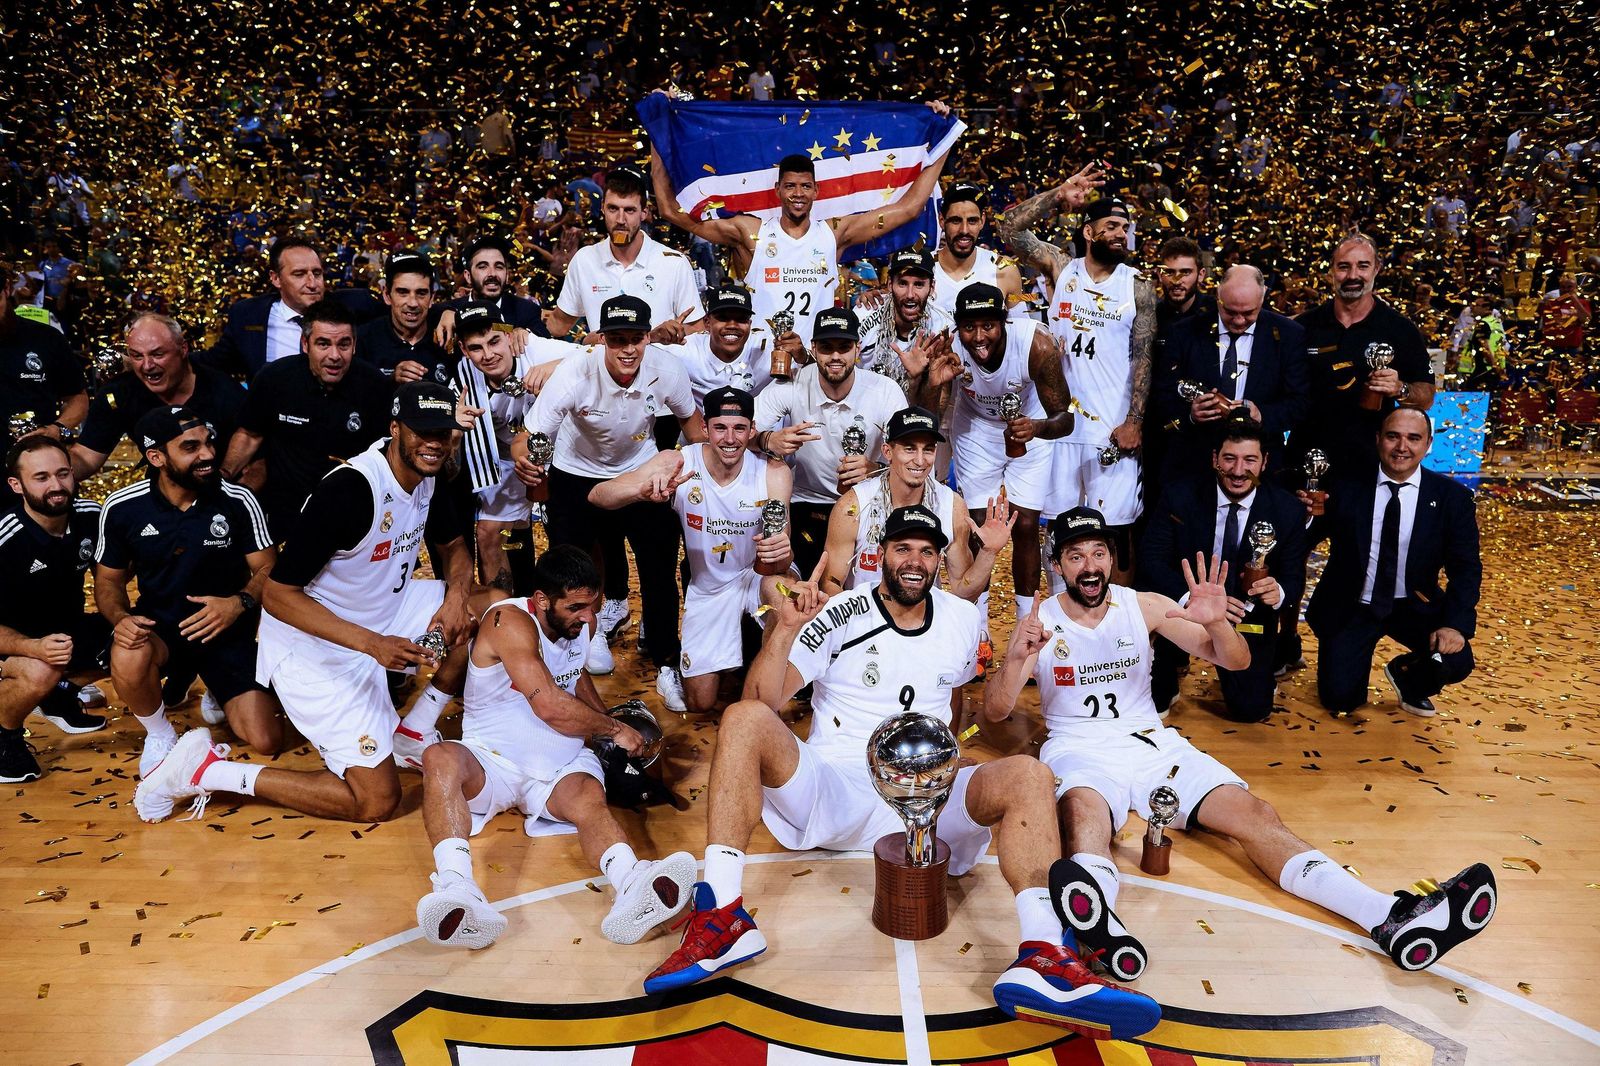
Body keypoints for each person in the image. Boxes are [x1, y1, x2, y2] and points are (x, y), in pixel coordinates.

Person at [644, 508, 1162, 1042]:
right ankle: (724, 916)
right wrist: (783, 632)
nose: (914, 562)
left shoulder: (962, 619)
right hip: (840, 786)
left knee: (1028, 775)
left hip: (927, 794)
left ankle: (1043, 955)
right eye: (902, 549)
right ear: (881, 553)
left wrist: (954, 754)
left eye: (927, 550)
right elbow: (764, 699)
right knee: (743, 718)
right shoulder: (840, 613)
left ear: (939, 559)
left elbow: (959, 702)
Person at [983, 506, 1496, 981]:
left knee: (1257, 815)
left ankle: (1385, 915)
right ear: (1058, 565)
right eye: (1076, 556)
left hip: (1154, 745)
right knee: (1085, 822)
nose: (1089, 565)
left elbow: (1234, 661)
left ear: (1113, 559)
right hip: (1079, 748)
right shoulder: (1040, 623)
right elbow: (997, 710)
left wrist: (1216, 624)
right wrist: (1014, 661)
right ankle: (1101, 927)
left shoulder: (1146, 606)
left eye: (1098, 553)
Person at [133, 383, 477, 824]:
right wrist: (373, 644)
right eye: (421, 431)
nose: (433, 442)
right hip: (316, 645)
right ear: (395, 429)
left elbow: (453, 546)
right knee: (376, 802)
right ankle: (210, 771)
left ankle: (412, 731)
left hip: (382, 611)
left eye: (442, 432)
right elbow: (276, 595)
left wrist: (456, 596)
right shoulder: (351, 490)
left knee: (493, 610)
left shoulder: (433, 472)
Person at [415, 546, 697, 950]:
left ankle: (631, 882)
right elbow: (548, 703)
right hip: (491, 762)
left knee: (588, 798)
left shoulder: (583, 622)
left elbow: (575, 671)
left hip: (560, 765)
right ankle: (458, 889)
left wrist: (604, 732)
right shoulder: (507, 622)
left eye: (592, 605)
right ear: (542, 601)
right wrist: (615, 728)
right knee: (438, 757)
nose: (587, 617)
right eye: (576, 607)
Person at [513, 295, 706, 707]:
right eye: (617, 339)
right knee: (573, 572)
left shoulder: (666, 369)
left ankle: (666, 660)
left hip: (640, 471)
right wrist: (527, 464)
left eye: (636, 338)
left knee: (658, 570)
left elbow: (694, 426)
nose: (628, 348)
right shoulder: (574, 374)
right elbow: (530, 437)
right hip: (574, 473)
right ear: (600, 339)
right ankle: (582, 645)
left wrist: (693, 475)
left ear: (647, 338)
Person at [94, 407, 284, 790]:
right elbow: (108, 584)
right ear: (156, 457)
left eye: (209, 442)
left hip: (227, 634)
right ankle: (159, 732)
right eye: (191, 447)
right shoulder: (122, 508)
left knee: (267, 740)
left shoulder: (237, 499)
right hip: (162, 630)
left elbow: (270, 570)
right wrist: (120, 619)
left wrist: (238, 603)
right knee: (127, 650)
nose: (208, 454)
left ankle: (217, 686)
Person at [650, 118, 953, 344]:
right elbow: (669, 211)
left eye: (805, 186)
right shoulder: (750, 232)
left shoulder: (834, 234)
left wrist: (943, 139)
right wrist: (659, 128)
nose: (798, 194)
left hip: (817, 363)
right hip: (758, 362)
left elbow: (909, 209)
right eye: (791, 186)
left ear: (816, 191)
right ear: (777, 189)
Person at [589, 387, 792, 715]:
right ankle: (725, 665)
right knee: (699, 702)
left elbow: (784, 560)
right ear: (706, 428)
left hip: (755, 578)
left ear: (752, 430)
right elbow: (599, 494)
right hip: (708, 587)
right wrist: (639, 492)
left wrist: (781, 549)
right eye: (720, 428)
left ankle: (768, 685)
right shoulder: (678, 462)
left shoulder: (773, 471)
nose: (729, 438)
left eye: (739, 428)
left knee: (784, 593)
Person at [1003, 196, 1156, 580]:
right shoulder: (1061, 267)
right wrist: (1058, 196)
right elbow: (1010, 229)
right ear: (1089, 232)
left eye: (1126, 228)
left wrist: (1135, 420)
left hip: (1111, 431)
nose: (1122, 234)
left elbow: (1143, 358)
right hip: (1060, 428)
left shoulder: (1138, 287)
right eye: (1112, 227)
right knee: (1059, 532)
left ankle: (1117, 625)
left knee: (1116, 533)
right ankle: (1061, 623)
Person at [916, 283, 1074, 627]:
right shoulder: (950, 345)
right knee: (978, 525)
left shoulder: (1036, 345)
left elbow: (1065, 420)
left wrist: (1035, 428)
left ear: (1005, 323)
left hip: (1030, 424)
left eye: (988, 325)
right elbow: (929, 417)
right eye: (970, 327)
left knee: (1027, 524)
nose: (979, 336)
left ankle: (1024, 622)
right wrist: (934, 380)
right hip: (975, 428)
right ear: (959, 327)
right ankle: (980, 627)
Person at [1307, 409, 1480, 717]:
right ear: (1378, 440)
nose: (1402, 447)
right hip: (1353, 604)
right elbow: (1306, 536)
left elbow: (1465, 568)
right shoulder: (1343, 487)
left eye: (1413, 438)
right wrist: (1304, 513)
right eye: (1393, 436)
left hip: (1414, 604)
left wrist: (1454, 625)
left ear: (1428, 444)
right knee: (1340, 700)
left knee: (1457, 660)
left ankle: (1407, 675)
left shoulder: (1452, 498)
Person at [1139, 421, 1308, 721]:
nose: (1238, 470)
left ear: (1265, 462)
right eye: (1229, 458)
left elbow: (1294, 580)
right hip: (1184, 610)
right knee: (1155, 706)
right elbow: (1152, 559)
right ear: (1214, 458)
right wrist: (1190, 598)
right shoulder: (1179, 495)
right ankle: (1171, 657)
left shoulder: (1287, 510)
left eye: (1250, 460)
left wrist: (1278, 592)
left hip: (1245, 620)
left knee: (1251, 710)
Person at [752, 307, 906, 576]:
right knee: (796, 588)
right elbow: (739, 432)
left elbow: (909, 456)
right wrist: (768, 439)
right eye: (826, 347)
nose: (835, 356)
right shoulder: (793, 383)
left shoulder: (884, 390)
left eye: (844, 347)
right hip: (807, 503)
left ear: (857, 349)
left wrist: (876, 469)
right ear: (813, 348)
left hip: (868, 502)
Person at [221, 299, 392, 534]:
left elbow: (388, 452)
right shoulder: (274, 379)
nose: (335, 355)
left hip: (354, 513)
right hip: (287, 515)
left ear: (354, 346)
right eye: (323, 344)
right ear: (305, 344)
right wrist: (223, 478)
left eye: (344, 344)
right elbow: (250, 435)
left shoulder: (375, 385)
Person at [453, 302, 581, 595]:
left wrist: (557, 367)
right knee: (488, 533)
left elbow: (597, 354)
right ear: (464, 350)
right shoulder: (460, 379)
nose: (488, 355)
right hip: (509, 459)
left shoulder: (538, 350)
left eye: (494, 341)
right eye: (476, 348)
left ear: (510, 336)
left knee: (571, 536)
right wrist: (456, 431)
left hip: (566, 452)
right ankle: (502, 613)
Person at [0, 437, 108, 782]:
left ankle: (59, 696)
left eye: (63, 474)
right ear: (17, 485)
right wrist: (33, 648)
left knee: (138, 639)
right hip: (13, 643)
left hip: (62, 632)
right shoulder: (6, 537)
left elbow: (118, 575)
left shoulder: (91, 517)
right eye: (41, 477)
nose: (57, 486)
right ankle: (6, 737)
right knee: (40, 670)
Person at [822, 405, 1012, 600]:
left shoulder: (951, 505)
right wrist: (859, 624)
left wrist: (988, 553)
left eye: (928, 450)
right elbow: (831, 582)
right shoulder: (853, 506)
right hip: (866, 620)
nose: (920, 461)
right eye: (910, 449)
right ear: (887, 452)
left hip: (925, 625)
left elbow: (964, 592)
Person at [1286, 233, 1434, 475]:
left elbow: (1426, 396)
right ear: (1331, 270)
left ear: (1377, 268)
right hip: (1305, 458)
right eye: (1344, 266)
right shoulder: (1304, 327)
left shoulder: (1400, 329)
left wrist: (1400, 389)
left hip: (1369, 463)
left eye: (1362, 266)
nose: (1353, 276)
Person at [1150, 265, 1309, 481]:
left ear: (1262, 300)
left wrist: (1261, 415)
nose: (1239, 320)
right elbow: (1162, 395)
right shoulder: (1184, 332)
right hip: (1194, 465)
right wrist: (1191, 415)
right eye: (1230, 312)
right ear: (1218, 297)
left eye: (1248, 313)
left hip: (1261, 470)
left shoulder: (1289, 335)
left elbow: (1299, 402)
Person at [71, 312, 248, 480]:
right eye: (137, 356)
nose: (147, 366)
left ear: (183, 349)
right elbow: (86, 457)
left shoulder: (223, 390)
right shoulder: (119, 394)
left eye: (157, 354)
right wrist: (51, 469)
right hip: (162, 497)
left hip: (223, 490)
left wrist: (227, 497)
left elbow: (257, 460)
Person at [550, 165, 705, 342]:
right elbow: (558, 324)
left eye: (629, 210)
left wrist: (673, 335)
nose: (620, 220)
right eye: (613, 209)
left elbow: (696, 331)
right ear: (602, 208)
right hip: (601, 368)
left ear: (644, 213)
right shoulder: (584, 260)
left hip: (660, 368)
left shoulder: (674, 263)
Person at [1, 271, 86, 489]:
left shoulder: (46, 338)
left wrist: (57, 429)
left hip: (36, 473)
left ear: (7, 290)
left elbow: (78, 398)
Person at [200, 235, 327, 379]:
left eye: (317, 273)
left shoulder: (349, 311)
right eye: (299, 274)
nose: (312, 283)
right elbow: (214, 362)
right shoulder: (248, 315)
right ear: (276, 278)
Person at [652, 283, 782, 408]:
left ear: (750, 323)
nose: (732, 325)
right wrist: (652, 337)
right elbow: (638, 355)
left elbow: (800, 364)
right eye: (723, 318)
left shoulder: (769, 349)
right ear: (707, 322)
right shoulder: (686, 350)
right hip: (698, 428)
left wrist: (802, 357)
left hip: (755, 428)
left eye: (741, 319)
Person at [854, 246, 956, 395]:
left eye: (919, 284)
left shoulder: (943, 324)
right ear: (890, 284)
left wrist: (916, 380)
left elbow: (937, 411)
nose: (910, 294)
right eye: (902, 283)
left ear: (932, 287)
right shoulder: (865, 313)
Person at [930, 182, 1027, 321]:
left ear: (982, 220)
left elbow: (1022, 333)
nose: (964, 230)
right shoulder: (922, 269)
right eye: (956, 221)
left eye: (972, 221)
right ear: (941, 220)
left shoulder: (1005, 269)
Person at [431, 235, 548, 349]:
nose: (492, 273)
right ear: (468, 277)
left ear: (507, 275)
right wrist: (447, 312)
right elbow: (430, 313)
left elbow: (546, 344)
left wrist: (525, 334)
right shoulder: (449, 311)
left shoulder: (526, 310)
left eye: (499, 267)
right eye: (482, 267)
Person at [356, 250, 454, 387]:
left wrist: (451, 311)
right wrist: (390, 380)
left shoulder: (447, 338)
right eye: (403, 292)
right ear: (387, 295)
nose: (413, 303)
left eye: (421, 293)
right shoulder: (364, 340)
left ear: (432, 298)